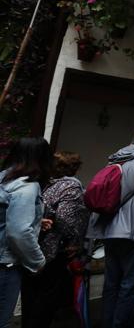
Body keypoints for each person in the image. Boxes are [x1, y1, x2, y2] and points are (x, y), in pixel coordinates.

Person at [87, 131, 134, 328]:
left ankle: (107, 323)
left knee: (111, 283)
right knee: (131, 285)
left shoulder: (115, 160)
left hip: (110, 231)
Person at [21, 151, 89, 328]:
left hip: (32, 247)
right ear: (72, 169)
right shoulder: (70, 187)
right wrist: (76, 240)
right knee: (45, 300)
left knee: (30, 297)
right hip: (55, 250)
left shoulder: (43, 184)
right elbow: (65, 220)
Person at [0, 137, 51, 328]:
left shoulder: (4, 177)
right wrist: (37, 262)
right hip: (7, 264)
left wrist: (37, 220)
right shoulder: (27, 186)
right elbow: (18, 232)